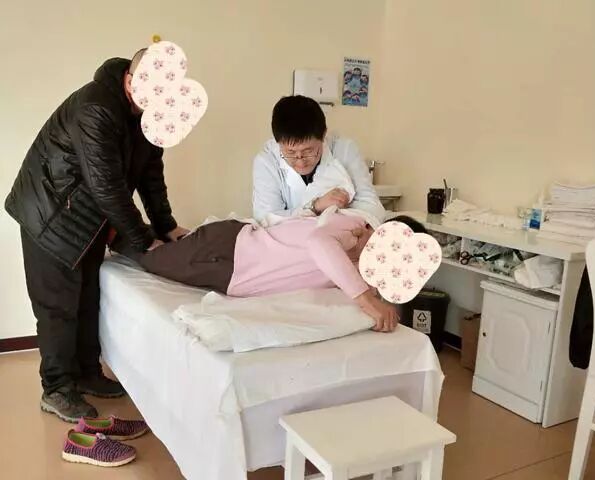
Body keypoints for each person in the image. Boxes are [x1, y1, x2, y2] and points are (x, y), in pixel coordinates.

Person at [5, 49, 188, 422]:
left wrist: (166, 226)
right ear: (131, 81)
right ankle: (57, 389)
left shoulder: (152, 115)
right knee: (58, 307)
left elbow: (150, 175)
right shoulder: (96, 108)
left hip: (86, 216)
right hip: (50, 213)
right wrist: (143, 240)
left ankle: (87, 373)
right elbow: (107, 187)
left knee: (88, 297)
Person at [114, 214, 428, 333]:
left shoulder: (360, 269)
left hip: (230, 272)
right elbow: (319, 243)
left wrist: (374, 298)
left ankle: (175, 237)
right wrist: (366, 301)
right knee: (151, 260)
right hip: (228, 251)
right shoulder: (350, 227)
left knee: (167, 254)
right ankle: (110, 228)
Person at [252, 95, 385, 223]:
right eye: (290, 152)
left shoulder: (344, 150)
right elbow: (265, 219)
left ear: (323, 135)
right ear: (278, 143)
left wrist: (361, 225)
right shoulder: (267, 161)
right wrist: (314, 207)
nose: (300, 162)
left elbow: (372, 207)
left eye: (308, 151)